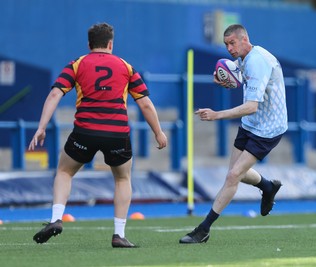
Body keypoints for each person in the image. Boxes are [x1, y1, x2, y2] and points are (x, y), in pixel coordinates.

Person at [29, 23, 167, 248]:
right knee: (122, 179)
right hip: (117, 133)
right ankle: (119, 235)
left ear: (89, 44)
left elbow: (55, 93)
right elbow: (145, 104)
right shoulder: (126, 67)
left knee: (64, 171)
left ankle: (56, 219)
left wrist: (41, 127)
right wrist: (158, 132)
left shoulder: (77, 64)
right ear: (110, 43)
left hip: (85, 132)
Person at [179, 24, 288, 244]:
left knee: (232, 176)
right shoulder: (244, 58)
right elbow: (238, 79)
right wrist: (225, 80)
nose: (229, 48)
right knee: (235, 173)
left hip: (268, 129)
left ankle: (203, 229)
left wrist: (216, 115)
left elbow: (251, 106)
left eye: (232, 43)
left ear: (245, 38)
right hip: (250, 124)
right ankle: (268, 186)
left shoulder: (258, 61)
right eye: (226, 44)